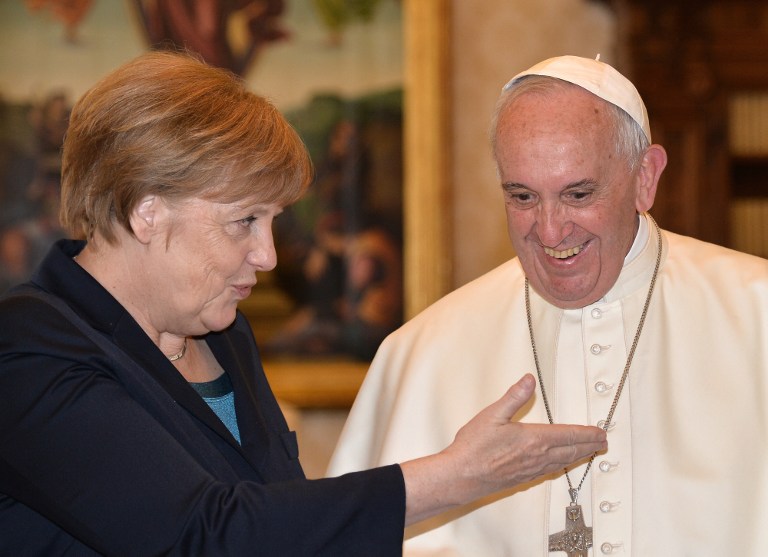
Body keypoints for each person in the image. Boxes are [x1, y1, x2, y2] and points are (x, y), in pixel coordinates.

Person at [0, 50, 607, 556]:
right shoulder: (28, 347)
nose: (267, 256)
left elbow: (278, 524)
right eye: (243, 222)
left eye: (273, 222)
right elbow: (202, 535)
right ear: (146, 209)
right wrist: (454, 475)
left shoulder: (222, 334)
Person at [328, 54, 768, 556]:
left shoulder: (758, 316)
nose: (551, 230)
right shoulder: (425, 351)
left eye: (578, 194)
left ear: (645, 177)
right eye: (522, 197)